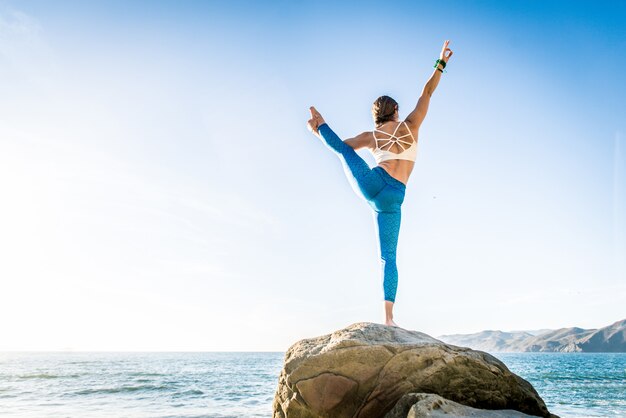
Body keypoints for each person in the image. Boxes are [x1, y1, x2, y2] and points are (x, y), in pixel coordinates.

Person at [307, 40, 453, 327]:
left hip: (373, 186)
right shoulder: (412, 125)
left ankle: (320, 124)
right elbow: (427, 92)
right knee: (389, 257)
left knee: (344, 154)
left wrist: (319, 133)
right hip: (396, 197)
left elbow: (342, 148)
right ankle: (389, 319)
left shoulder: (371, 136)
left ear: (376, 114)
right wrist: (441, 62)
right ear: (396, 109)